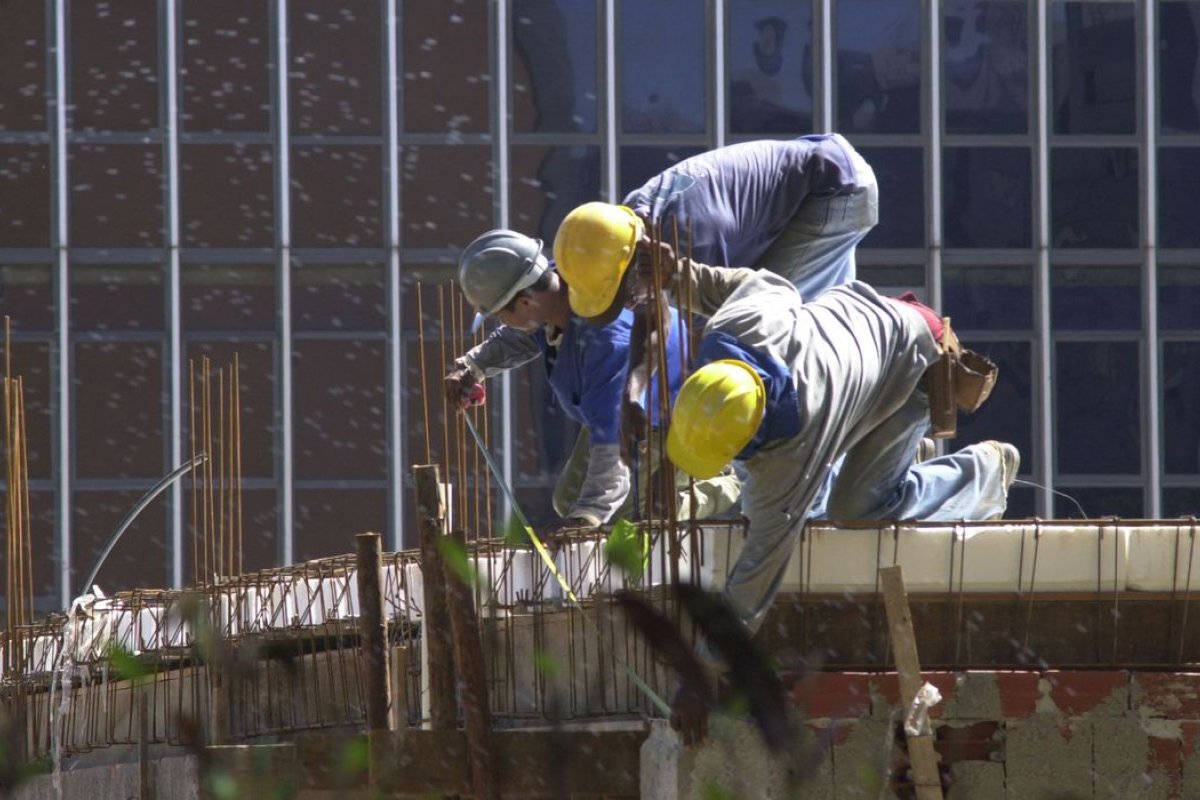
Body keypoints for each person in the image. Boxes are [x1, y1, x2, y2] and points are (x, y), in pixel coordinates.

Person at [553, 213, 1019, 744]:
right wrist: (676, 274)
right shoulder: (737, 327)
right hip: (864, 328)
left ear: (754, 444)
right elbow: (753, 282)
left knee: (855, 511)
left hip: (915, 357)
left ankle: (982, 473)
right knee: (832, 490)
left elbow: (755, 578)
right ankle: (889, 451)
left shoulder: (790, 458)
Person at [443, 229, 739, 532]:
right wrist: (473, 365)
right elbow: (524, 336)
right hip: (615, 409)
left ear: (526, 303)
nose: (502, 322)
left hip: (673, 416)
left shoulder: (606, 344)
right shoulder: (562, 288)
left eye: (500, 314)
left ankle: (721, 481)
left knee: (636, 513)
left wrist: (586, 519)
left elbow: (612, 449)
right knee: (567, 500)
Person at [613, 133, 876, 308]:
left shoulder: (688, 241)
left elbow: (718, 324)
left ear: (632, 268)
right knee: (826, 309)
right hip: (831, 172)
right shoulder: (633, 220)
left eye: (627, 295)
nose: (630, 305)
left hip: (833, 187)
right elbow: (652, 322)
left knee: (767, 311)